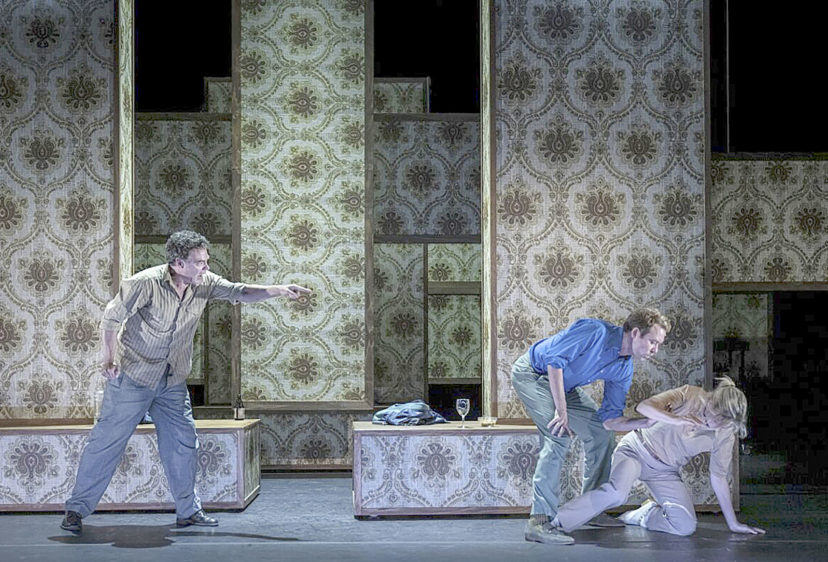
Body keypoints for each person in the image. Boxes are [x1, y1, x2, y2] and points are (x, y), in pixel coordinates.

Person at [61, 231, 310, 533]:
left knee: (183, 443)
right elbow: (112, 318)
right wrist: (109, 359)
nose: (206, 266)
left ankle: (188, 511)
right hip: (134, 377)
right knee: (106, 443)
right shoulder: (145, 283)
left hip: (172, 380)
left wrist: (279, 290)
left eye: (206, 261)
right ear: (178, 263)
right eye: (200, 262)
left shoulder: (204, 283)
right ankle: (76, 509)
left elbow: (240, 291)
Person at [512, 308, 671, 545]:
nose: (655, 350)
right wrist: (562, 411)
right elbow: (554, 362)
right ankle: (540, 521)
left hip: (564, 386)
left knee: (601, 434)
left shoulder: (624, 368)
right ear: (636, 333)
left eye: (658, 344)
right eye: (652, 342)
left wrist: (646, 422)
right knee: (558, 433)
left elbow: (610, 420)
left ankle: (592, 509)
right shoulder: (595, 331)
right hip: (533, 374)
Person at [550, 376, 766, 542]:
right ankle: (557, 521)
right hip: (636, 449)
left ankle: (642, 515)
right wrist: (676, 419)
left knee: (685, 526)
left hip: (664, 471)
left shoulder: (725, 433)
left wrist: (733, 523)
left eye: (720, 421)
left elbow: (718, 477)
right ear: (712, 399)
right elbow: (644, 407)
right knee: (617, 493)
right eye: (710, 413)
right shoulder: (691, 394)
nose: (710, 422)